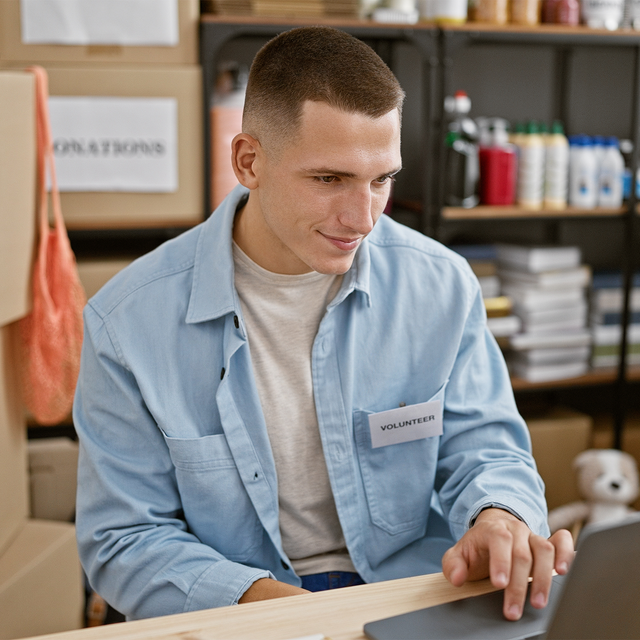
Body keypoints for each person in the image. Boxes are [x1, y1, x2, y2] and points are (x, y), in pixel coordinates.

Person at [74, 26, 574, 623]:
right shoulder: (127, 322)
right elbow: (124, 538)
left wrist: (500, 515)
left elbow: (486, 449)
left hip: (404, 594)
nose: (362, 217)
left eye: (382, 179)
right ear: (249, 161)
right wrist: (291, 615)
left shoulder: (441, 286)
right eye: (329, 179)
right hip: (239, 608)